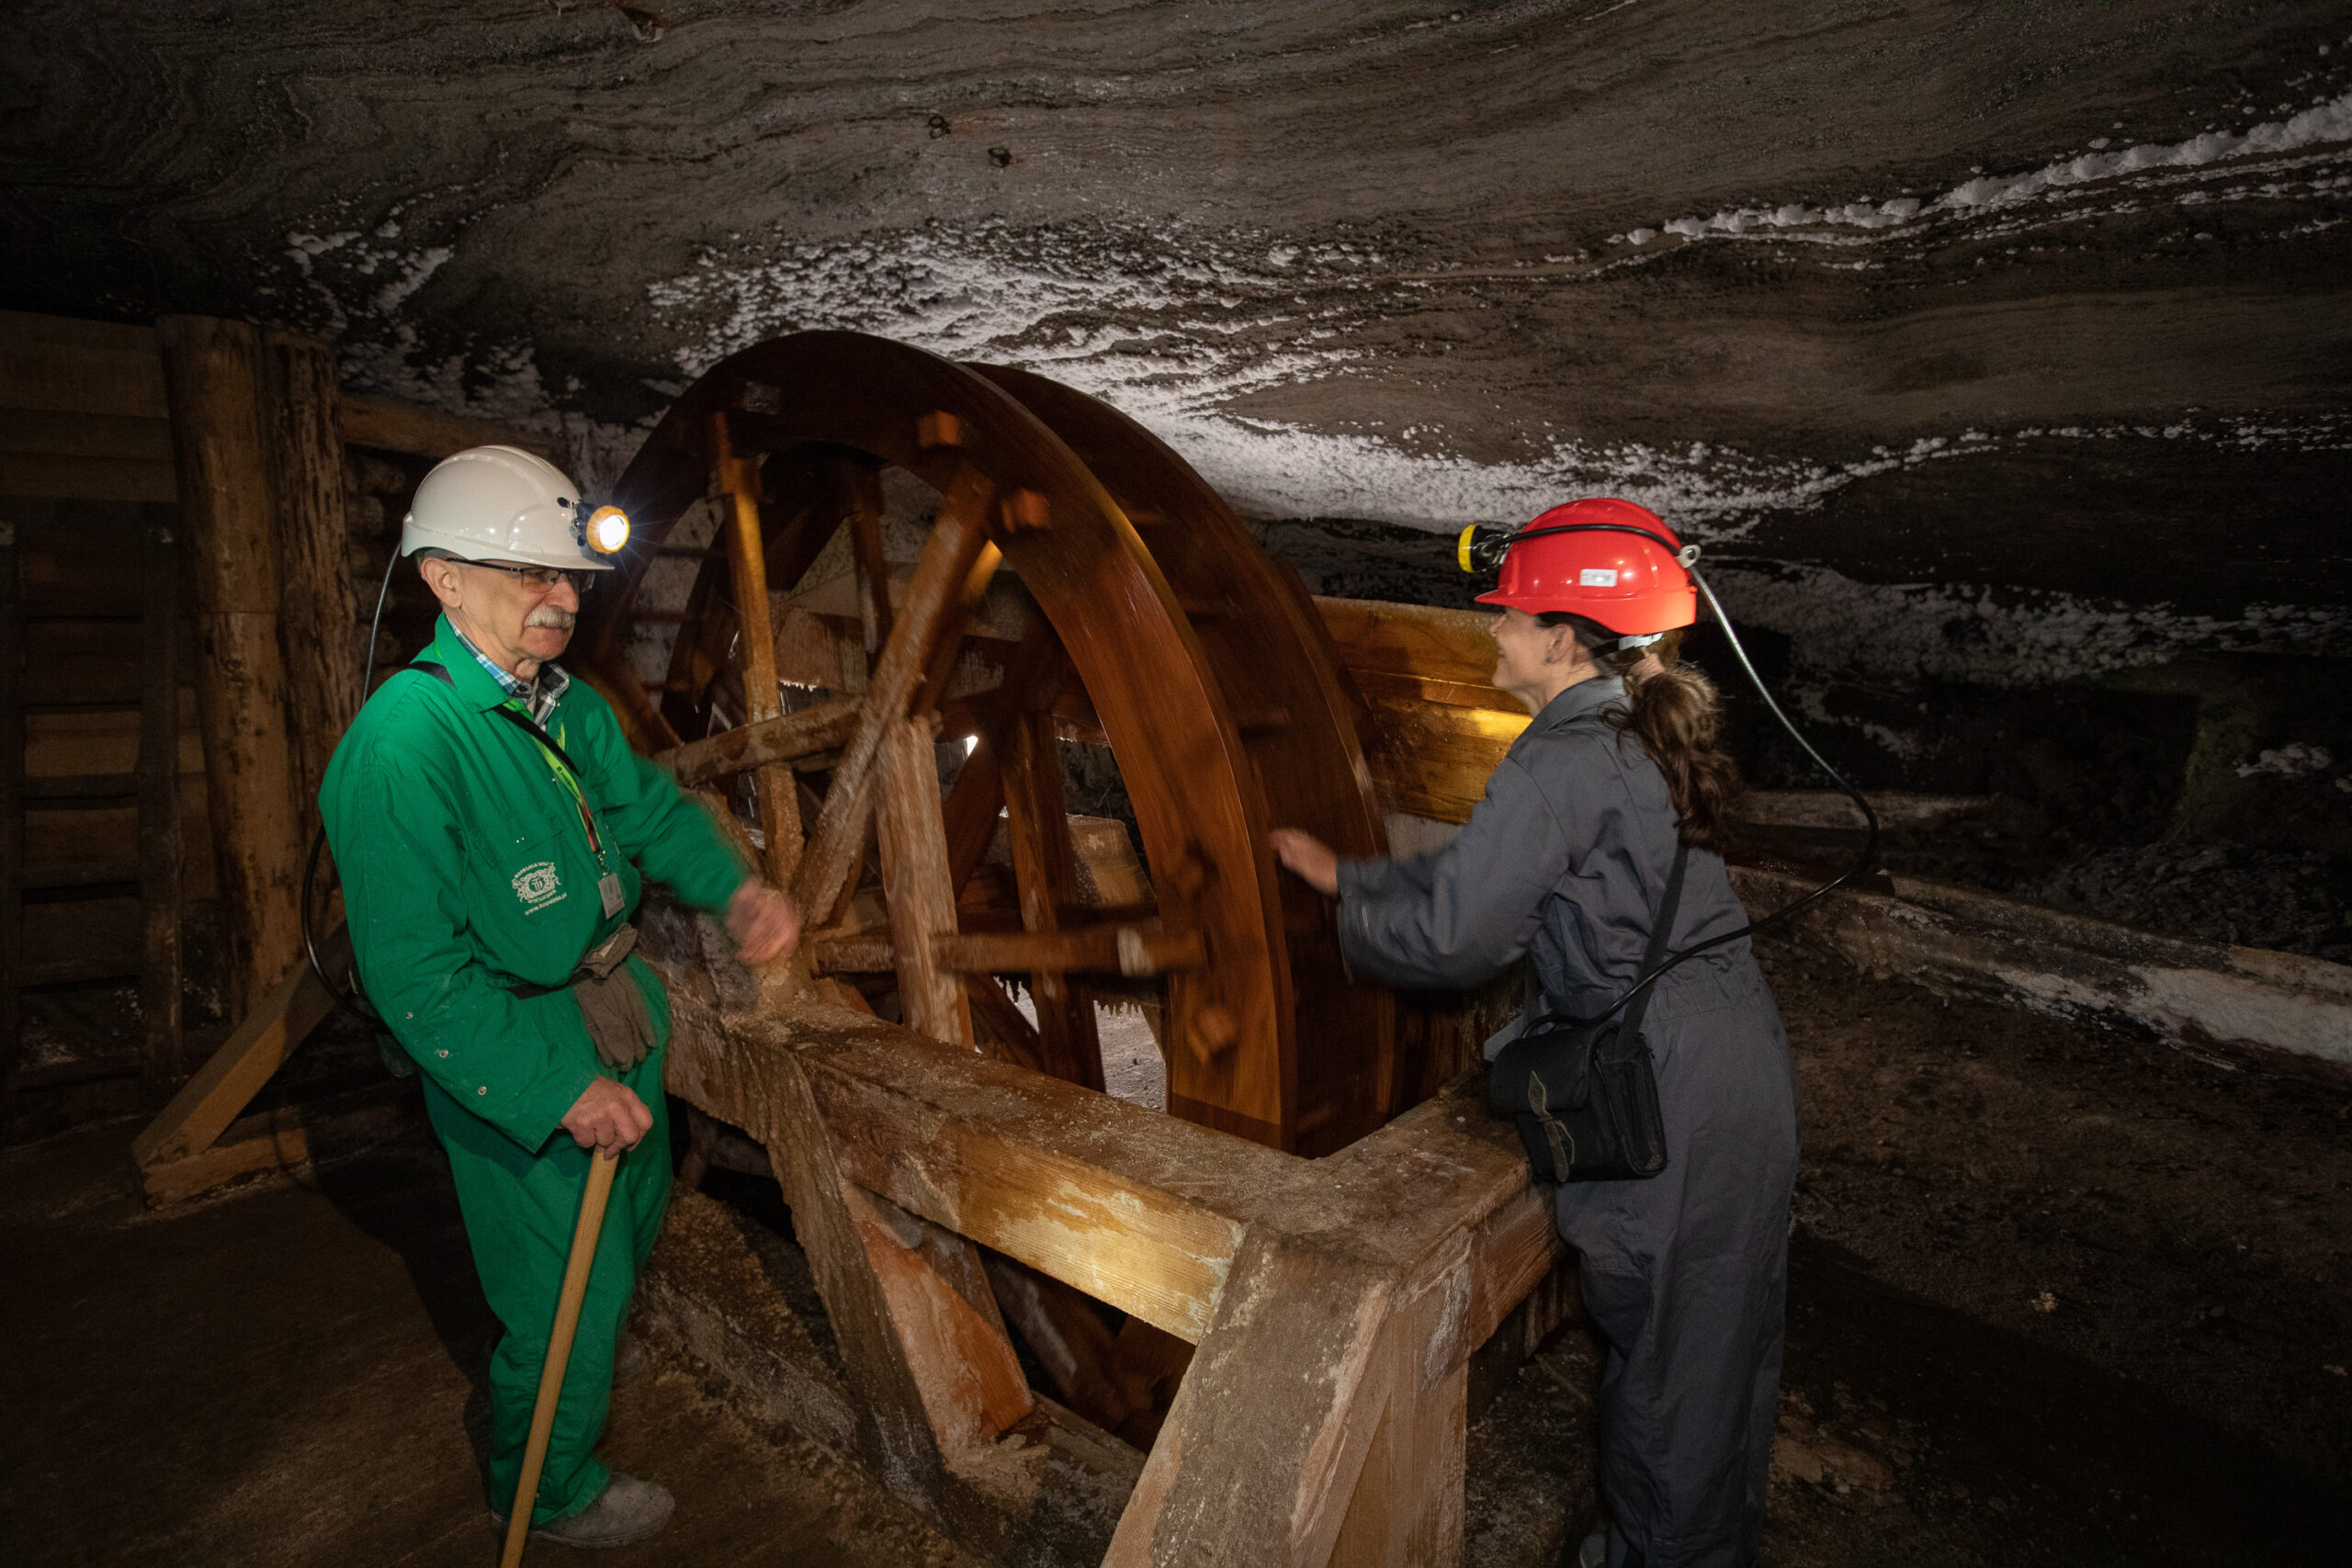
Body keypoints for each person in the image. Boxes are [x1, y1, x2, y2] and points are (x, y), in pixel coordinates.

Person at [1270, 498, 1795, 1568]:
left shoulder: (1556, 761)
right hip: (1731, 1051)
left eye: (1509, 615)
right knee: (1720, 1346)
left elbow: (1460, 939)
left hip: (1665, 1085)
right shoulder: (1627, 730)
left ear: (1562, 637)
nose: (1493, 629)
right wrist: (1357, 877)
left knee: (1670, 1374)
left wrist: (1346, 915)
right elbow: (1502, 879)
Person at [321, 445, 801, 1549]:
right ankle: (546, 1486)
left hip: (611, 1001)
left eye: (568, 579)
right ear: (441, 580)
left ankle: (573, 1364)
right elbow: (416, 979)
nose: (559, 600)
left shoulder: (565, 707)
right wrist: (554, 1089)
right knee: (561, 1297)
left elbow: (640, 813)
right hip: (516, 1033)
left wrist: (734, 891)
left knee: (625, 1227)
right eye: (529, 575)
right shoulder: (403, 746)